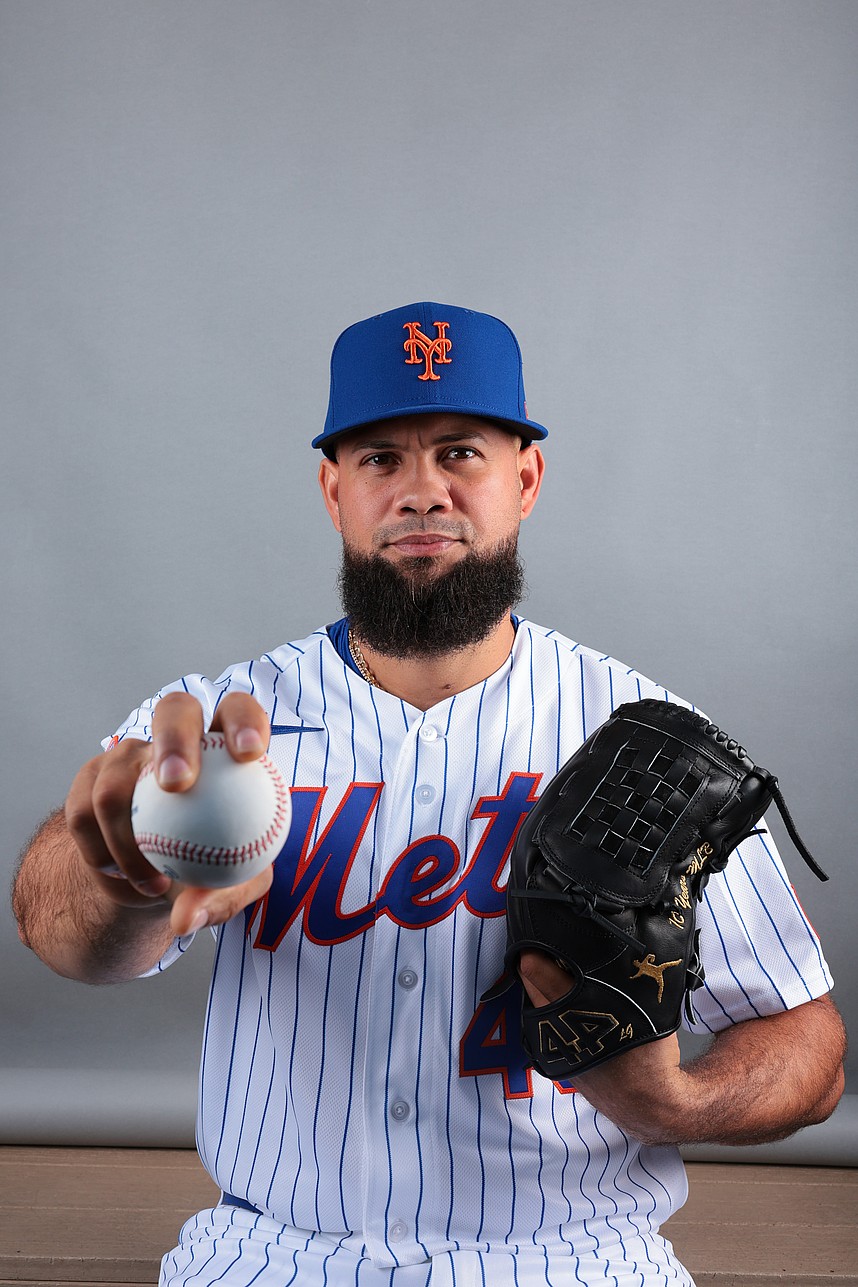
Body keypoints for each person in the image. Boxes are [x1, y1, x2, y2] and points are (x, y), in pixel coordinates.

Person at [14, 302, 846, 1287]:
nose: (421, 491)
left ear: (525, 479)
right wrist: (127, 877)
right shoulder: (213, 725)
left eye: (460, 453)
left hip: (575, 1261)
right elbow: (60, 929)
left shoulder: (645, 738)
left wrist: (675, 1104)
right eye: (379, 460)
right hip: (275, 1257)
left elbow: (809, 1046)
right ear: (333, 491)